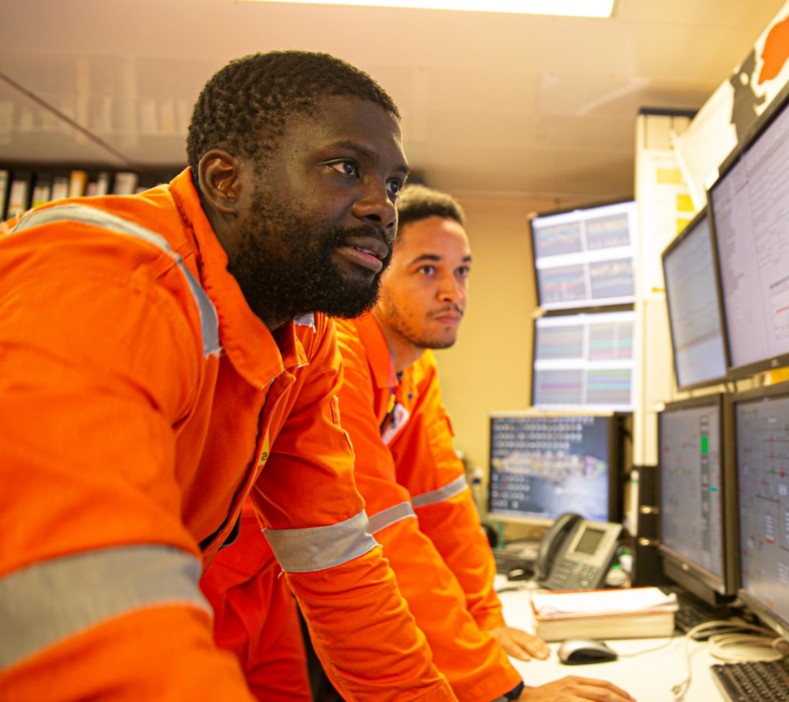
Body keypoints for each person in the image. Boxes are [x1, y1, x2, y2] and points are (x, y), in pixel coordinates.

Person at [0, 50, 454, 700]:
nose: (383, 209)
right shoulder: (105, 286)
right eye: (345, 168)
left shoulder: (303, 332)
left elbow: (335, 556)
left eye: (393, 185)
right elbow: (86, 610)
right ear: (226, 180)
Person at [202, 186, 635, 702]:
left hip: (285, 590)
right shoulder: (338, 354)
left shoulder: (415, 368)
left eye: (462, 270)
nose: (453, 291)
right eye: (428, 270)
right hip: (223, 589)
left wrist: (486, 622)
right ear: (375, 273)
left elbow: (442, 505)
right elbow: (381, 528)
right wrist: (503, 691)